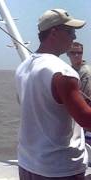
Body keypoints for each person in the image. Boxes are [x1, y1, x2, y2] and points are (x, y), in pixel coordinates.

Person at [15, 8, 89, 179]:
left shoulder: (22, 67)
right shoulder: (62, 71)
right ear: (54, 32)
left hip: (28, 164)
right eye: (70, 31)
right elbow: (86, 120)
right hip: (60, 169)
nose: (74, 37)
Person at [67, 42, 91, 146]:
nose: (76, 55)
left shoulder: (86, 72)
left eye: (79, 53)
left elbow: (86, 100)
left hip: (85, 119)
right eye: (73, 53)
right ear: (68, 54)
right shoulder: (69, 70)